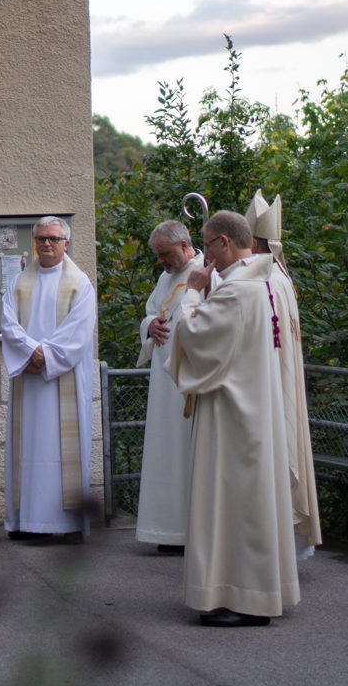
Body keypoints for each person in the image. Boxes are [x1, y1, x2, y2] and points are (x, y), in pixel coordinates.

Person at [170, 209, 299, 626]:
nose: (205, 256)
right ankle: (250, 591)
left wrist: (192, 292)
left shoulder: (238, 290)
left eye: (206, 246)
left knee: (235, 506)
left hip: (233, 416)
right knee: (245, 505)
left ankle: (247, 600)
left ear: (223, 242)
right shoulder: (265, 282)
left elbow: (192, 336)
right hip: (252, 407)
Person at [0, 215, 97, 539]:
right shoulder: (18, 283)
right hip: (30, 383)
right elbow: (8, 325)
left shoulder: (80, 283)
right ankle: (26, 523)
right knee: (28, 452)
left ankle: (66, 526)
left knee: (60, 456)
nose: (47, 244)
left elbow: (79, 333)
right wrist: (33, 352)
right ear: (35, 242)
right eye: (41, 238)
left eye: (54, 239)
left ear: (66, 243)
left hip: (62, 381)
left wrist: (43, 356)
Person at [247, 190, 322, 557]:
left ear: (254, 242)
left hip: (268, 385)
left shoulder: (263, 280)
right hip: (281, 382)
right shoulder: (281, 277)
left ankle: (272, 548)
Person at [133, 219, 204, 552]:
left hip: (192, 379)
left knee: (190, 454)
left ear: (185, 245)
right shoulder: (165, 278)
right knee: (165, 452)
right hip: (163, 384)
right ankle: (165, 529)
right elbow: (150, 311)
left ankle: (193, 530)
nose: (161, 262)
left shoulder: (207, 273)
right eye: (158, 255)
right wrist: (150, 326)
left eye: (165, 254)